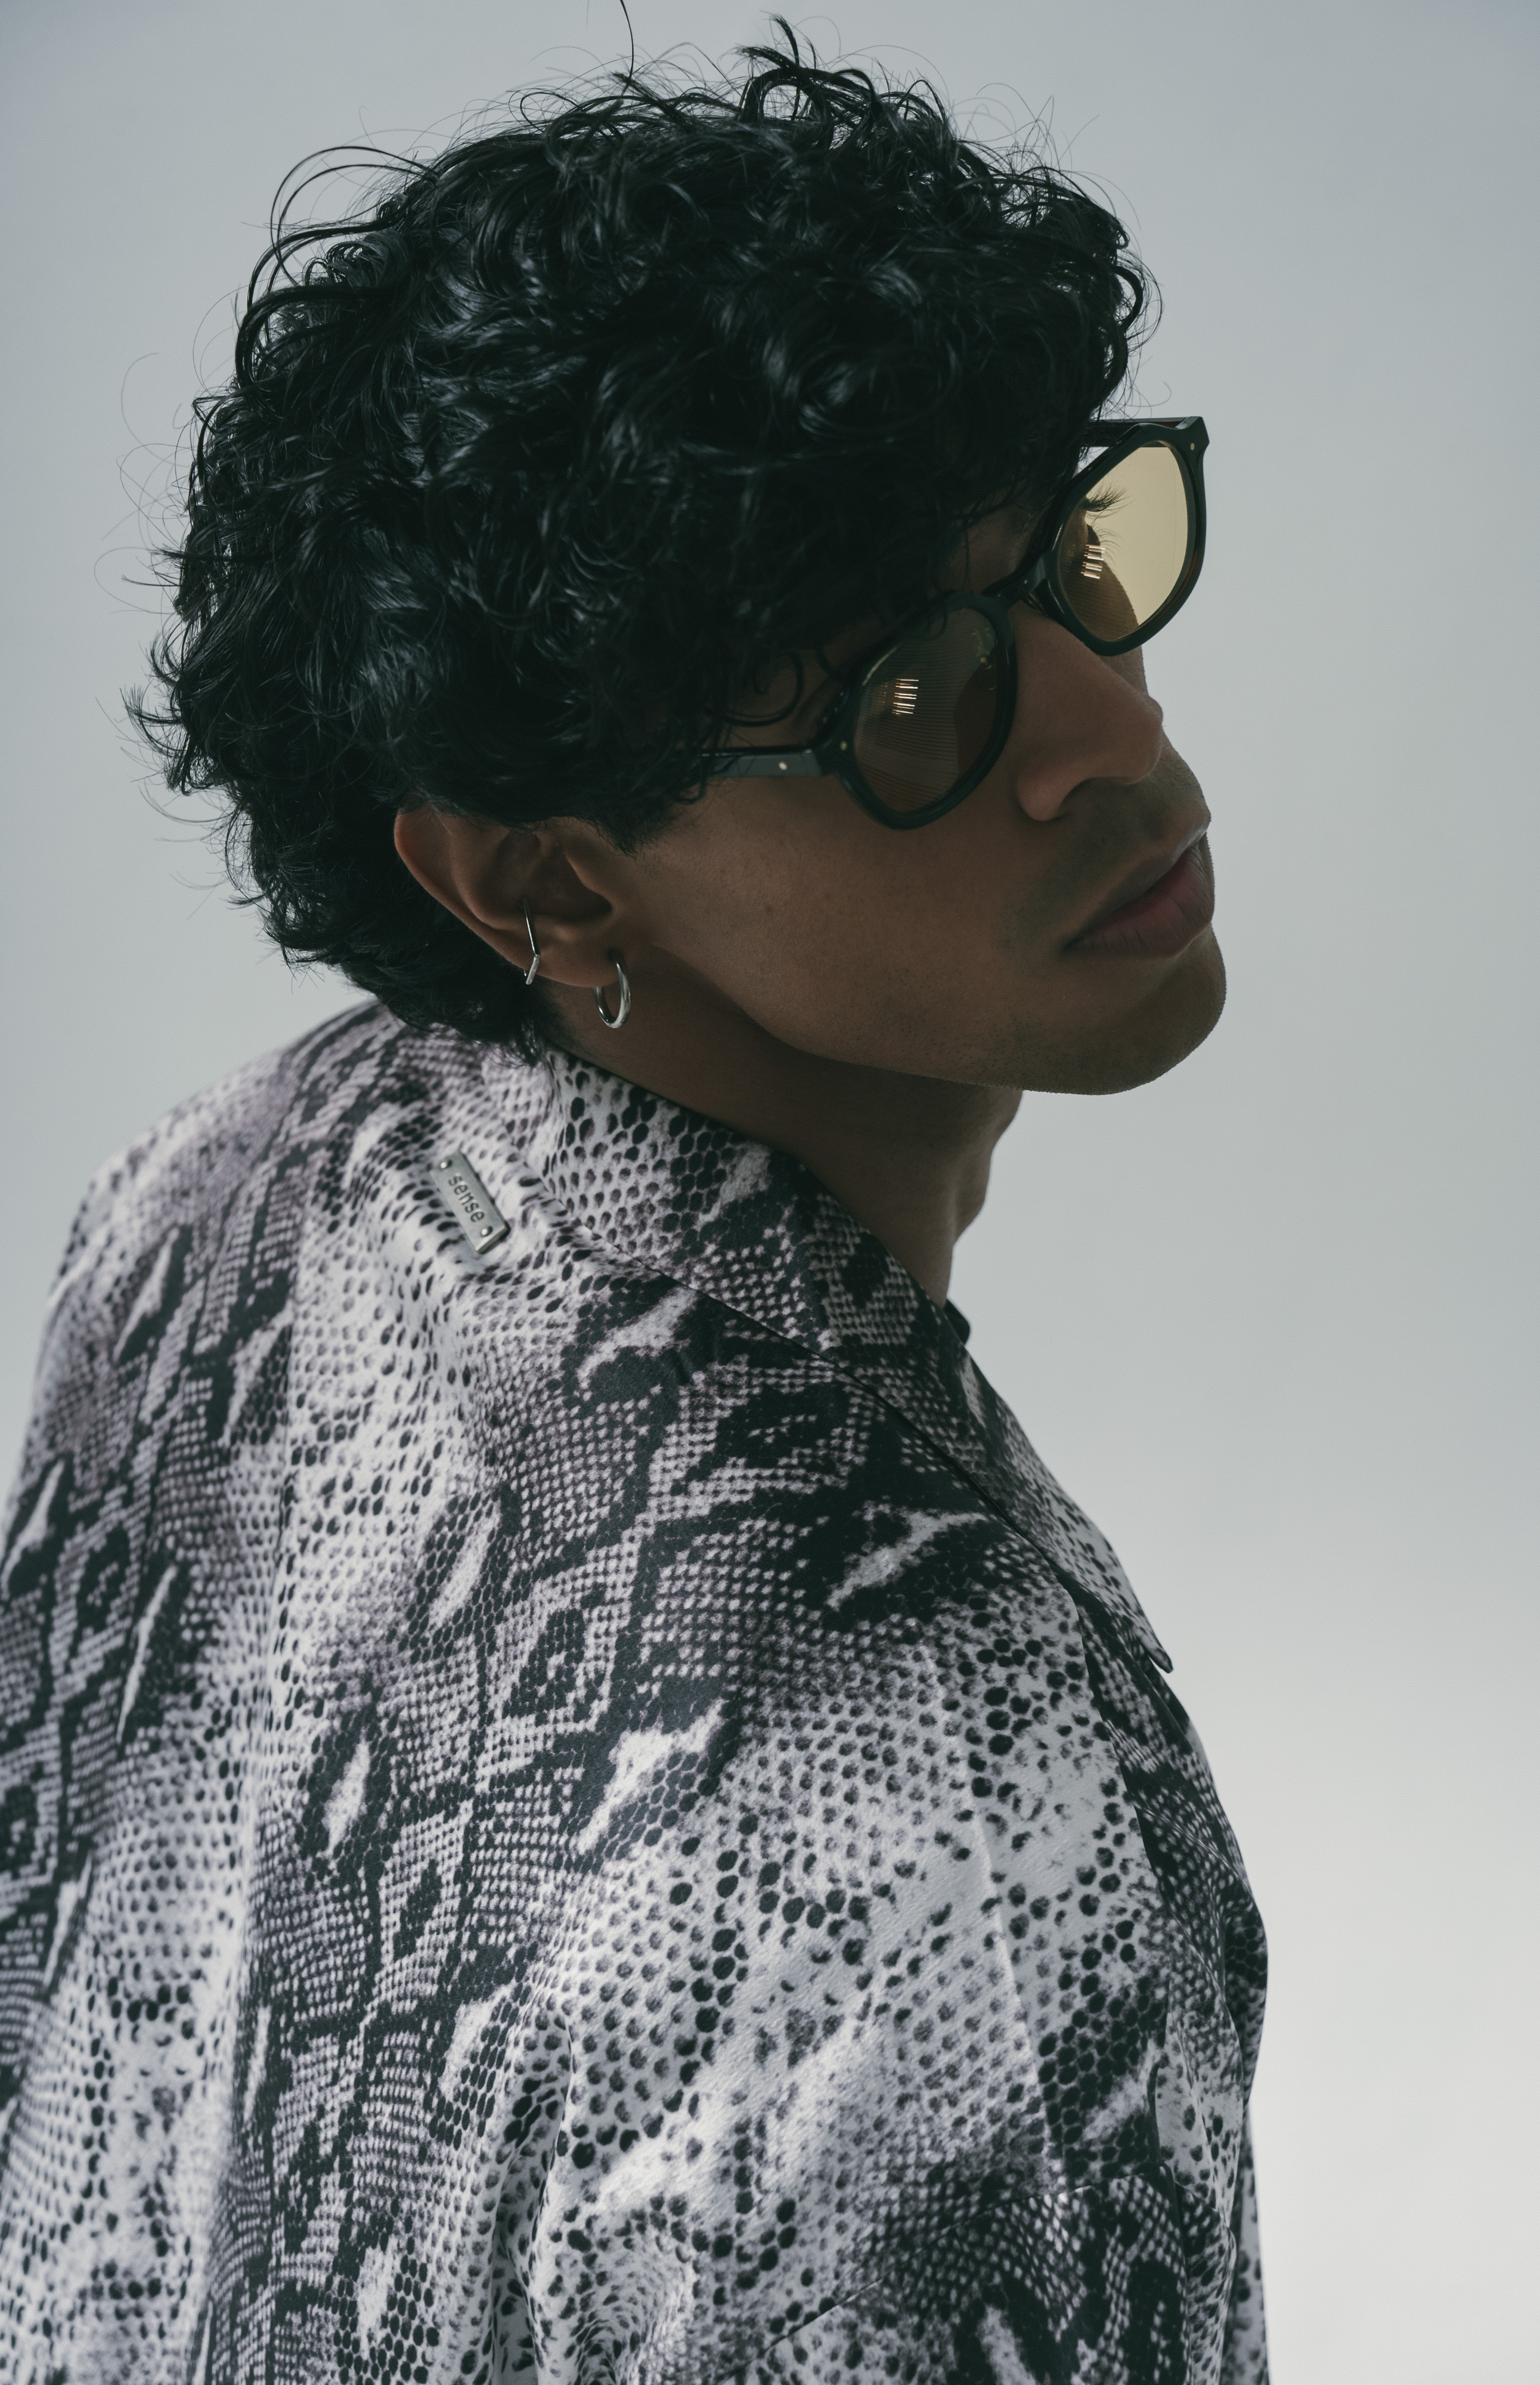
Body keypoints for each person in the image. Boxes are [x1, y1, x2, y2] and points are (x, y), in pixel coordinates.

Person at [0, 35, 1267, 2384]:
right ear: (549, 882)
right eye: (917, 701)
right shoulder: (959, 1809)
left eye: (1073, 558)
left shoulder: (201, 1198)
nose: (1117, 735)